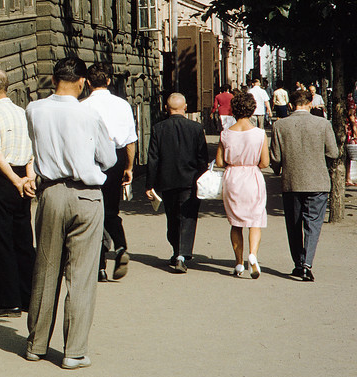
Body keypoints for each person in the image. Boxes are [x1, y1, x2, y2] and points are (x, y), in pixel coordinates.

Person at [25, 56, 116, 370]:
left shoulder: (34, 111)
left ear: (53, 80)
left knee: (45, 268)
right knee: (81, 275)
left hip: (50, 192)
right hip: (86, 195)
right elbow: (108, 158)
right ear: (83, 83)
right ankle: (73, 351)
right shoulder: (88, 115)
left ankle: (36, 344)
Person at [0, 68, 35, 318]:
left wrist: (13, 180)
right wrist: (28, 180)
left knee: (0, 240)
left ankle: (6, 302)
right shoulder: (22, 112)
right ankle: (28, 297)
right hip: (24, 177)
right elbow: (33, 150)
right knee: (23, 239)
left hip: (2, 179)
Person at [269, 88, 339, 281]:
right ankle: (307, 264)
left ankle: (298, 263)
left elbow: (275, 158)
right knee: (313, 224)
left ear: (290, 105)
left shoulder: (280, 126)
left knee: (293, 224)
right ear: (310, 103)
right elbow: (333, 153)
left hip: (291, 182)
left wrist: (277, 169)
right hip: (318, 182)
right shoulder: (323, 124)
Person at [81, 62, 136, 282]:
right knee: (111, 210)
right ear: (109, 81)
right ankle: (121, 246)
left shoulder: (82, 106)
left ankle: (100, 267)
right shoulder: (122, 105)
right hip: (117, 156)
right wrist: (129, 167)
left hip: (91, 158)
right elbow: (131, 140)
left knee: (94, 211)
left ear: (87, 82)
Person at [145, 93, 209, 273]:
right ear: (185, 107)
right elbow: (202, 158)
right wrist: (202, 177)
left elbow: (153, 159)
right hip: (191, 180)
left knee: (172, 217)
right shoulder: (196, 128)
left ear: (166, 108)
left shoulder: (158, 128)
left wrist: (150, 184)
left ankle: (176, 251)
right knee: (188, 217)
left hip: (167, 181)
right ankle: (182, 255)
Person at [215, 91, 270, 278]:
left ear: (233, 110)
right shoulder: (259, 134)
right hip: (252, 176)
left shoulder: (226, 134)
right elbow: (265, 162)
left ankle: (238, 263)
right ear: (252, 110)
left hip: (233, 177)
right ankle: (252, 256)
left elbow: (220, 162)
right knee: (255, 220)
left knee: (235, 222)